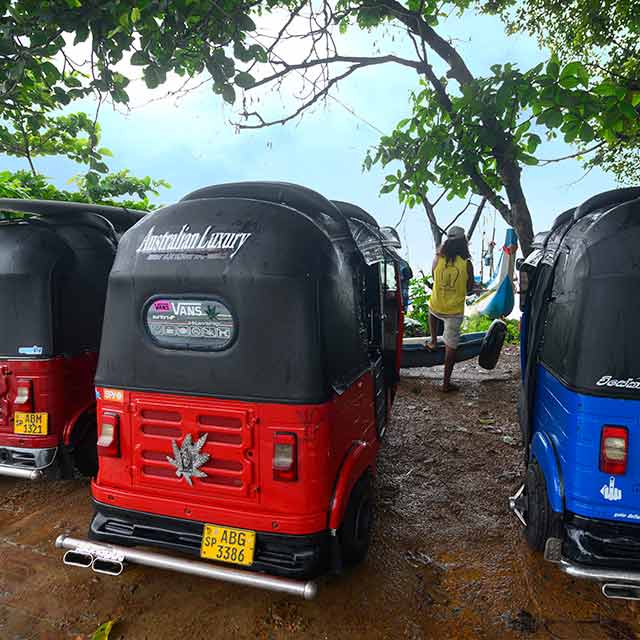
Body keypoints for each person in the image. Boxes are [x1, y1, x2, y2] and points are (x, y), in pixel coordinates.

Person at [426, 226, 474, 392]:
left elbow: (434, 277)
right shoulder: (467, 264)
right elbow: (469, 289)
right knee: (451, 347)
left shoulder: (437, 258)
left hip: (437, 305)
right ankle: (446, 384)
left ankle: (433, 341)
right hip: (454, 311)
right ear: (463, 243)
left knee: (431, 310)